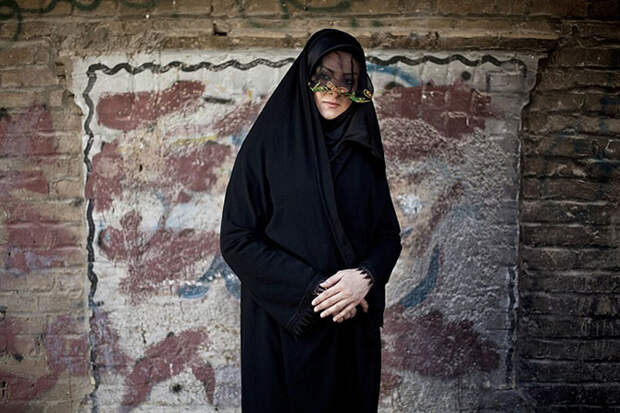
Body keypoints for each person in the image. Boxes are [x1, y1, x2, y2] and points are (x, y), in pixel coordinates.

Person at [219, 28, 402, 413]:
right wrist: (317, 292)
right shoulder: (268, 145)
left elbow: (387, 234)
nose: (334, 92)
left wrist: (365, 277)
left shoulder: (362, 148)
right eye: (323, 79)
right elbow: (237, 237)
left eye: (347, 83)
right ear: (305, 79)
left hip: (351, 335)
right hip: (283, 330)